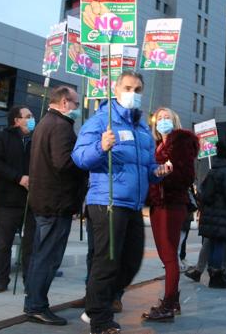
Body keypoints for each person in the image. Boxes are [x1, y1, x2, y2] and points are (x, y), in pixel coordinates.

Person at [72, 71, 172, 334]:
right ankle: (100, 320)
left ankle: (96, 304)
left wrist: (157, 171)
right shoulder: (99, 122)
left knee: (132, 261)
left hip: (133, 204)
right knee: (107, 261)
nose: (133, 93)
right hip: (107, 200)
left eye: (138, 89)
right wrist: (100, 147)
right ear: (115, 89)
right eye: (128, 87)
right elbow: (80, 158)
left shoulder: (141, 128)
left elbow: (147, 165)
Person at [23, 86, 88, 326]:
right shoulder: (61, 126)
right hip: (56, 201)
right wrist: (85, 160)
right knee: (48, 257)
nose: (78, 109)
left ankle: (34, 301)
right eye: (76, 104)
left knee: (41, 254)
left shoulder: (45, 123)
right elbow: (64, 163)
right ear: (63, 102)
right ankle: (36, 306)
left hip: (45, 199)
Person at [142, 107, 199, 322]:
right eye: (160, 118)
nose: (163, 121)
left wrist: (166, 174)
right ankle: (172, 300)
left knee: (169, 255)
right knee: (166, 254)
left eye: (167, 117)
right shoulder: (157, 144)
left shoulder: (181, 142)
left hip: (172, 203)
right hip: (158, 203)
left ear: (175, 121)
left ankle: (167, 305)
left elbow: (186, 176)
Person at [0, 105, 36, 293]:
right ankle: (1, 279)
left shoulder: (34, 140)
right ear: (17, 120)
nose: (32, 119)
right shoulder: (0, 138)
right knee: (4, 243)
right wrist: (18, 177)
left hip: (30, 201)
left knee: (30, 244)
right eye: (28, 116)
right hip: (6, 200)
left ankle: (29, 281)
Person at [196, 142, 226, 288]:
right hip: (222, 215)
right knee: (220, 245)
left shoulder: (212, 171)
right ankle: (216, 277)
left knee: (214, 244)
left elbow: (203, 193)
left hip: (210, 214)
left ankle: (213, 274)